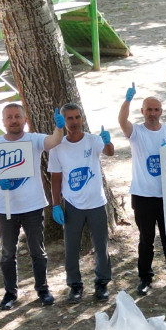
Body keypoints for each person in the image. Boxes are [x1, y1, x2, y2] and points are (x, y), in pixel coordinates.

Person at [0, 103, 64, 310]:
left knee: (38, 251)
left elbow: (54, 141)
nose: (14, 120)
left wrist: (59, 127)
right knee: (8, 253)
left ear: (25, 119)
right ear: (3, 121)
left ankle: (43, 290)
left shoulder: (34, 139)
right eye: (9, 117)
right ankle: (10, 293)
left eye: (17, 116)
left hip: (33, 206)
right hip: (6, 208)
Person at [118, 84, 166, 295]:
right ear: (142, 112)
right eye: (149, 109)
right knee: (146, 239)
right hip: (143, 195)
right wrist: (127, 100)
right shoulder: (136, 132)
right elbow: (122, 121)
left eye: (156, 110)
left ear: (161, 112)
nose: (153, 113)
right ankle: (145, 278)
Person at [47, 102, 115, 302]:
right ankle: (75, 285)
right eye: (70, 118)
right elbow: (56, 178)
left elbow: (109, 152)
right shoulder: (58, 147)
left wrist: (108, 142)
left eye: (77, 117)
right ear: (63, 121)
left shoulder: (93, 141)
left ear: (82, 118)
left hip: (96, 203)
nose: (74, 122)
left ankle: (102, 283)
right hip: (73, 204)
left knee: (101, 246)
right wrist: (56, 204)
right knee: (71, 247)